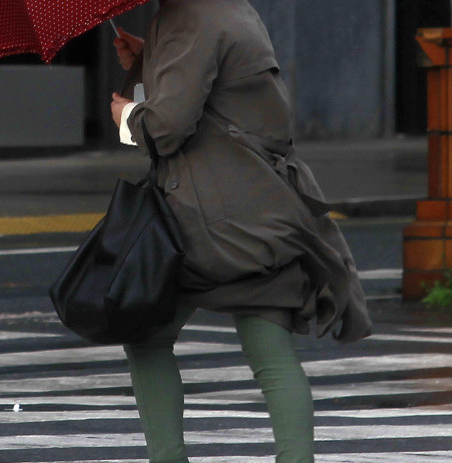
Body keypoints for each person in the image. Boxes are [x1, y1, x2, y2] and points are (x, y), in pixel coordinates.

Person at [110, 1, 372, 462]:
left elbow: (168, 125)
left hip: (206, 219)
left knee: (147, 336)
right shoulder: (228, 9)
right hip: (263, 210)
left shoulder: (188, 17)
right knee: (272, 355)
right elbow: (213, 86)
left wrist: (129, 117)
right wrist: (147, 55)